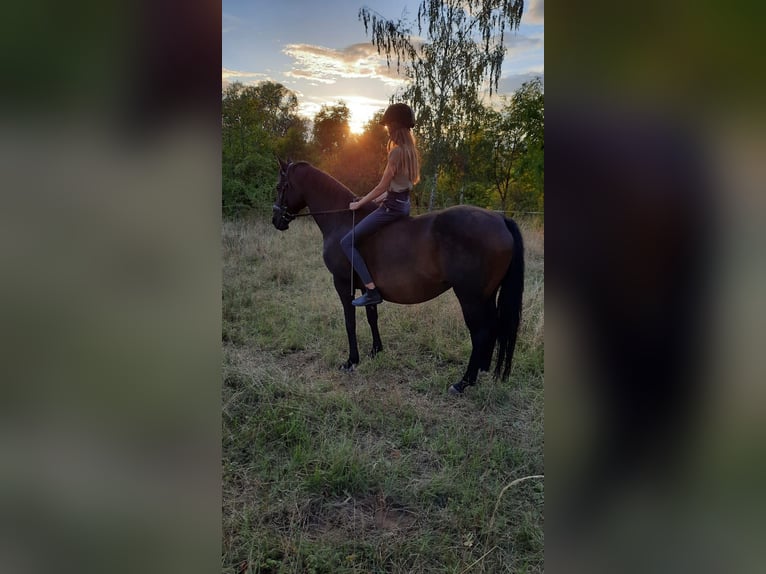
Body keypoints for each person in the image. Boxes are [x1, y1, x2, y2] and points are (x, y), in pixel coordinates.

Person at [340, 103, 421, 306]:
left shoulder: (395, 153)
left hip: (391, 208)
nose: (386, 130)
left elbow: (381, 186)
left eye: (387, 126)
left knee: (346, 242)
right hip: (403, 205)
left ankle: (371, 290)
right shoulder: (411, 151)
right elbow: (398, 186)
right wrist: (375, 200)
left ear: (393, 126)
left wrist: (359, 205)